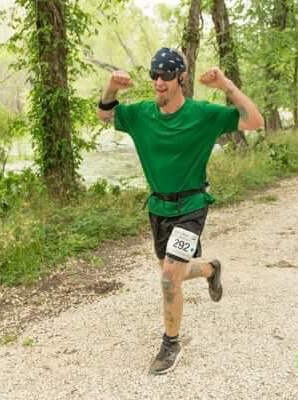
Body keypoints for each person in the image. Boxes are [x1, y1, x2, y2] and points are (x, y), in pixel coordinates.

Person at [97, 47, 264, 375]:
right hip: (158, 207)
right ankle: (211, 270)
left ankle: (171, 343)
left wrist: (226, 85)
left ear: (181, 79)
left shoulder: (203, 114)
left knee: (169, 277)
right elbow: (105, 115)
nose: (159, 82)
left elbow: (254, 120)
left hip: (191, 206)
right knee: (173, 272)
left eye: (167, 76)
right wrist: (111, 88)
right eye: (154, 75)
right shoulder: (141, 114)